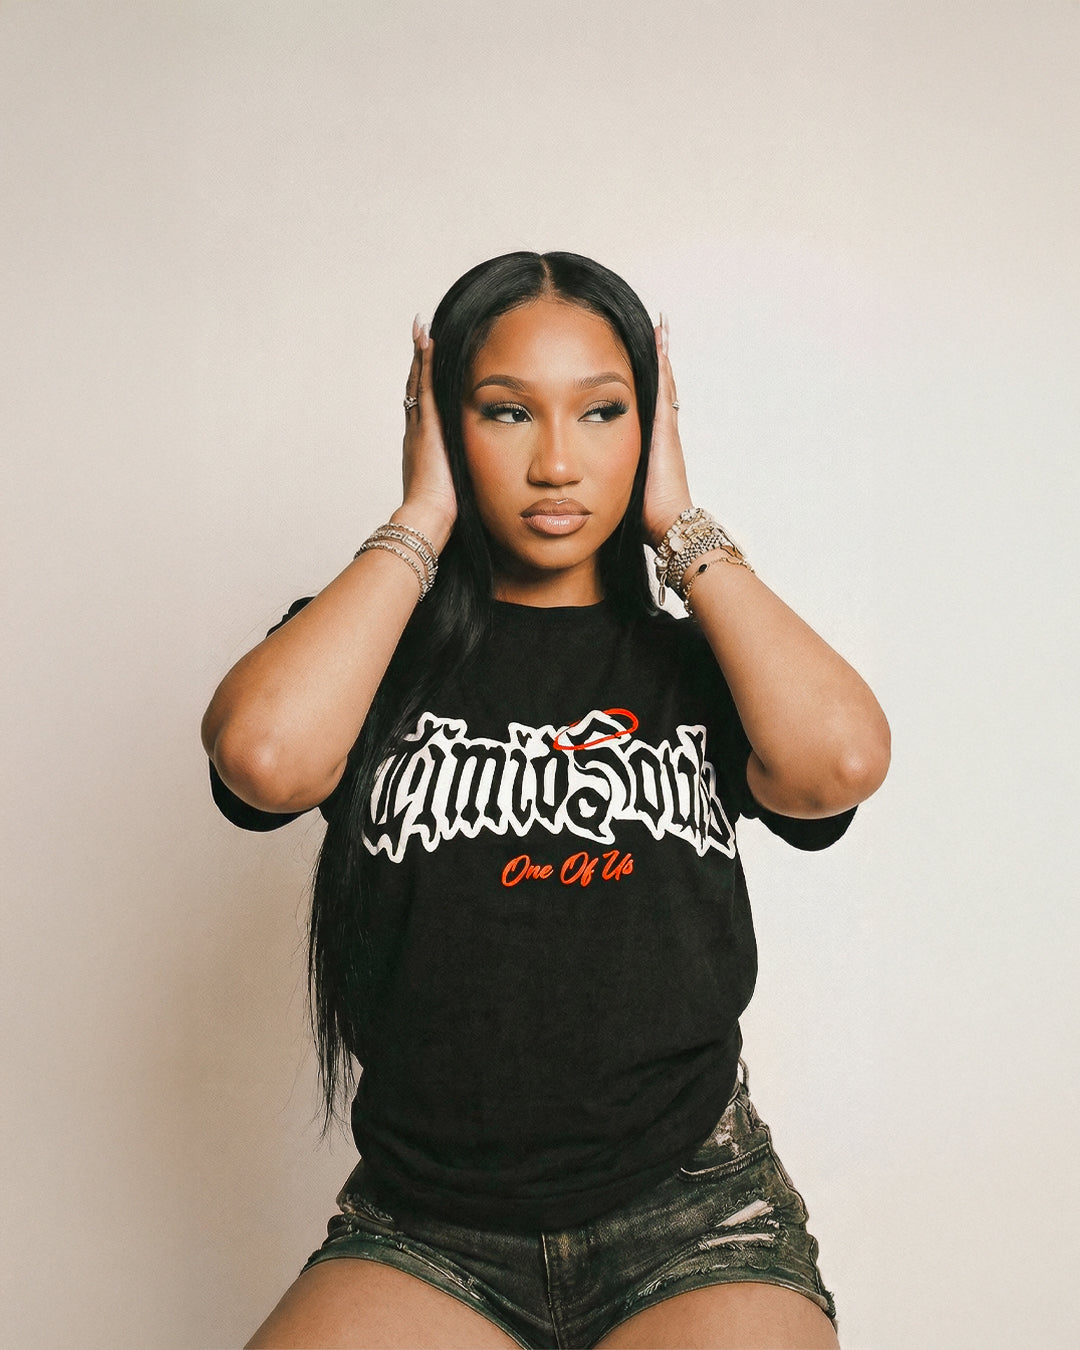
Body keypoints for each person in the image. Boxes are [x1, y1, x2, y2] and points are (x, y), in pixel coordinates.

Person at [202, 251, 890, 1349]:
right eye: (507, 411)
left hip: (693, 1215)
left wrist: (681, 523)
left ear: (650, 424)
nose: (558, 461)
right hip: (425, 1226)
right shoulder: (370, 653)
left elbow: (841, 761)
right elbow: (266, 757)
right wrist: (420, 518)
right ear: (442, 422)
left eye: (604, 411)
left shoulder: (698, 664)